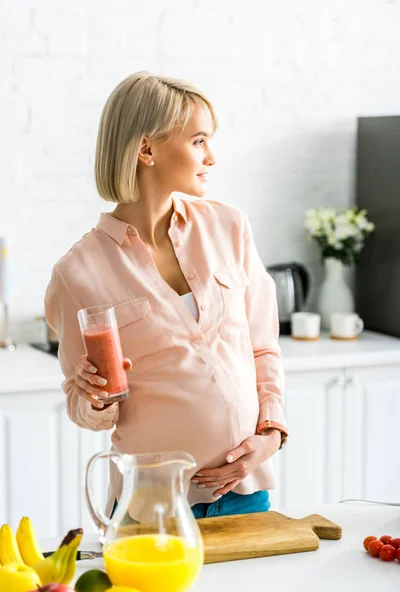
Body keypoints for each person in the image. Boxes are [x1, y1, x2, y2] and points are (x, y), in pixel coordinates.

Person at [45, 71, 288, 520]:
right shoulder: (76, 273)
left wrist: (271, 432)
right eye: (198, 141)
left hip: (246, 491)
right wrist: (93, 397)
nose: (211, 157)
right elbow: (85, 408)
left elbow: (262, 346)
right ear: (146, 149)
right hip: (152, 506)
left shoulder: (230, 226)